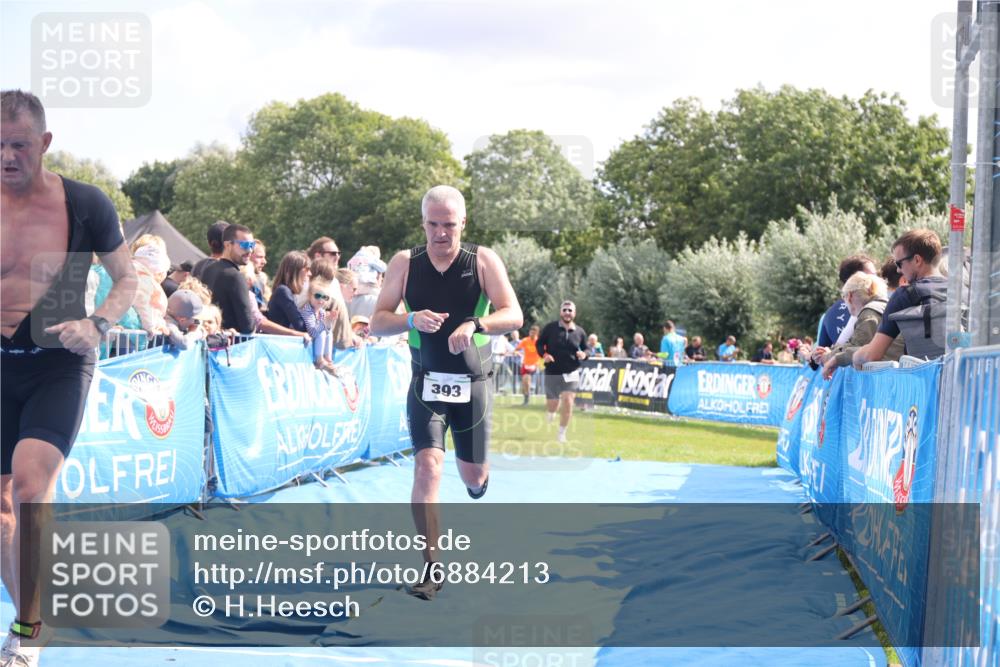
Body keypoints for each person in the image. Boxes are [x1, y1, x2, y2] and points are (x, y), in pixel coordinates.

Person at [1, 89, 138, 666]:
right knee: (2, 509)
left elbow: (127, 280)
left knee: (31, 486)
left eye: (19, 145)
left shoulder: (85, 204)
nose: (7, 156)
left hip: (60, 361)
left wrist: (100, 322)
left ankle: (27, 632)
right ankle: (37, 609)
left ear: (46, 143)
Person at [370, 185, 522, 600]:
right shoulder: (405, 263)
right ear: (423, 224)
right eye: (433, 225)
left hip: (473, 384)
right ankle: (432, 567)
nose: (441, 234)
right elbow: (378, 321)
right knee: (427, 467)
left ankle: (478, 481)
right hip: (427, 383)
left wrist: (475, 324)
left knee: (472, 476)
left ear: (463, 224)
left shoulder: (483, 260)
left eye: (449, 226)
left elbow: (514, 314)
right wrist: (411, 319)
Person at [853, 229, 947, 366]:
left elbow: (872, 354)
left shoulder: (904, 296)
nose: (898, 270)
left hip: (923, 382)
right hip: (967, 380)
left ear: (917, 260)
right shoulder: (961, 292)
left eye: (899, 264)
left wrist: (856, 356)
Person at [821, 272, 902, 379]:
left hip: (887, 378)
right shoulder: (885, 307)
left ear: (849, 296)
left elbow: (855, 347)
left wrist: (827, 357)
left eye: (843, 296)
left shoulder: (869, 313)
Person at [536, 301, 588, 444]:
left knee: (568, 401)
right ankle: (551, 412)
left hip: (571, 372)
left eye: (570, 310)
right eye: (565, 310)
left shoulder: (580, 332)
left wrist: (584, 354)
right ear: (560, 312)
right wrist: (544, 355)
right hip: (553, 371)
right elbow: (539, 344)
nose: (567, 312)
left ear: (574, 313)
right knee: (553, 403)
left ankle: (561, 433)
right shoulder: (550, 328)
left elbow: (587, 348)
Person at [200, 224, 258, 334]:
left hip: (210, 340)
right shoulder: (235, 276)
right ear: (227, 245)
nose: (250, 250)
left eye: (252, 245)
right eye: (245, 244)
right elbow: (248, 326)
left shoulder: (207, 269)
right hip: (230, 345)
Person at [267, 251, 312, 331]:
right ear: (294, 271)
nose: (310, 274)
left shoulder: (285, 291)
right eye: (307, 269)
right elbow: (300, 326)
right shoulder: (283, 291)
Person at [516, 325, 541, 405]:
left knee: (527, 380)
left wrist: (540, 362)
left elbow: (544, 352)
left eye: (533, 333)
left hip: (534, 365)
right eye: (530, 333)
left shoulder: (539, 342)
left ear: (537, 333)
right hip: (525, 364)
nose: (531, 334)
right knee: (524, 383)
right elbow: (517, 349)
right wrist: (517, 352)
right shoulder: (525, 340)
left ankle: (527, 397)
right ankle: (526, 397)